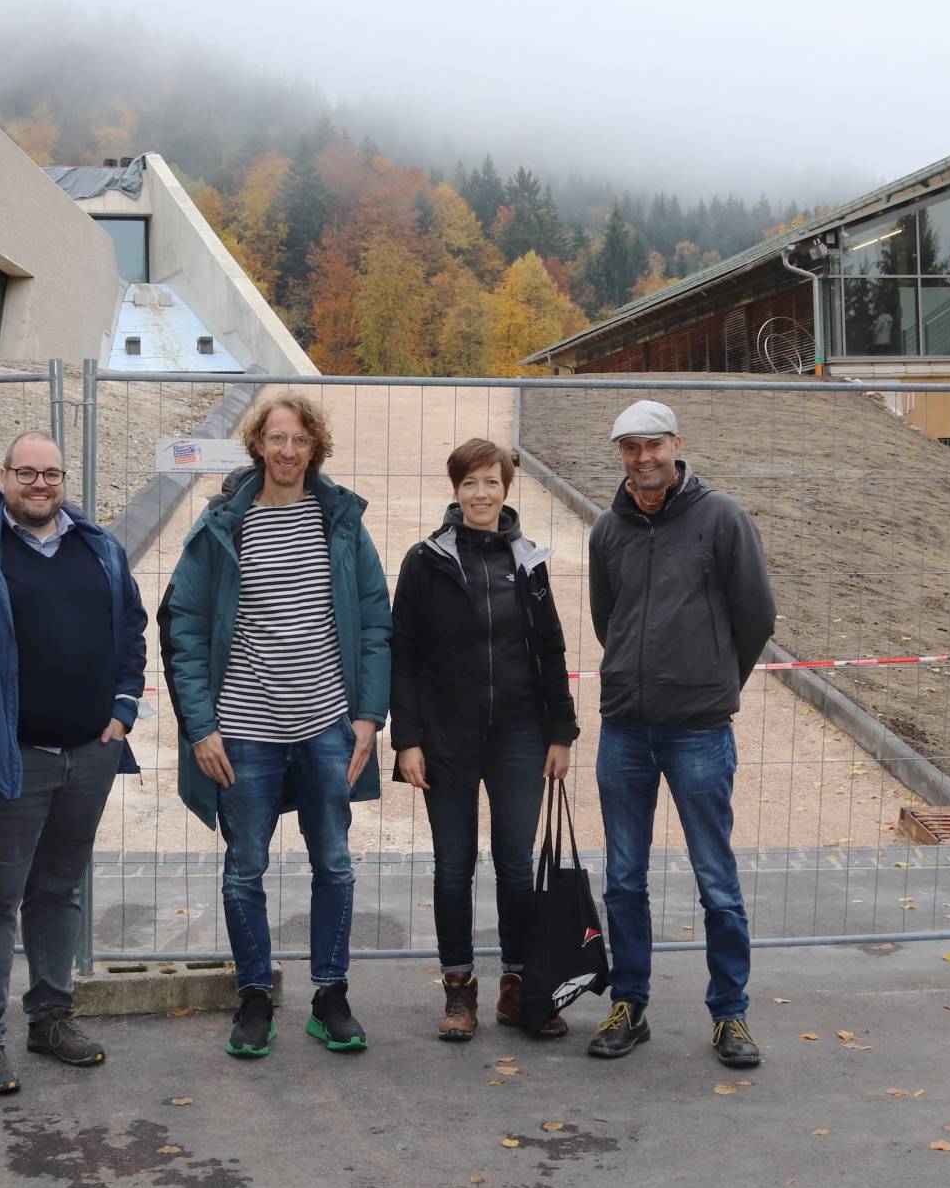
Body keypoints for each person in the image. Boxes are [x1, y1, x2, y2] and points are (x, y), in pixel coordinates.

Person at [0, 432, 147, 1095]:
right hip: (5, 759)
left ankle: (49, 1016)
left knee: (58, 890)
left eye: (52, 473)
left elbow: (130, 629)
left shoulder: (98, 548)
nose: (40, 484)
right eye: (27, 473)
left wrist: (124, 706)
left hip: (90, 755)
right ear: (4, 476)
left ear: (64, 479)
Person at [160, 394, 390, 1060]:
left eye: (300, 439)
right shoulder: (223, 526)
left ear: (315, 448)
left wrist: (369, 717)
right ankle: (255, 997)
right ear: (258, 444)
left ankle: (330, 996)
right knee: (245, 869)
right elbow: (184, 627)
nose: (288, 450)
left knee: (335, 864)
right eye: (277, 438)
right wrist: (201, 727)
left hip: (327, 726)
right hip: (243, 730)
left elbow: (375, 620)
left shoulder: (340, 522)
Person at [585, 400, 776, 1068]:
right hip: (625, 729)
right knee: (623, 878)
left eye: (653, 445)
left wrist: (713, 680)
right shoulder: (608, 529)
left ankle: (730, 1014)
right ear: (621, 454)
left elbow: (756, 616)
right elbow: (608, 619)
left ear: (676, 444)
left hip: (698, 729)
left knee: (715, 879)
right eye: (630, 447)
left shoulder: (721, 518)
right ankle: (629, 1005)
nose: (643, 458)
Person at [390, 438, 580, 1041]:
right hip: (445, 737)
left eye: (491, 482)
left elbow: (550, 648)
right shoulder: (425, 561)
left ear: (506, 489)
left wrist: (561, 731)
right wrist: (408, 738)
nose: (480, 494)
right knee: (454, 865)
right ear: (455, 490)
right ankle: (458, 989)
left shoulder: (528, 561)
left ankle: (518, 987)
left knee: (515, 864)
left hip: (520, 735)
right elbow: (403, 656)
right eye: (470, 483)